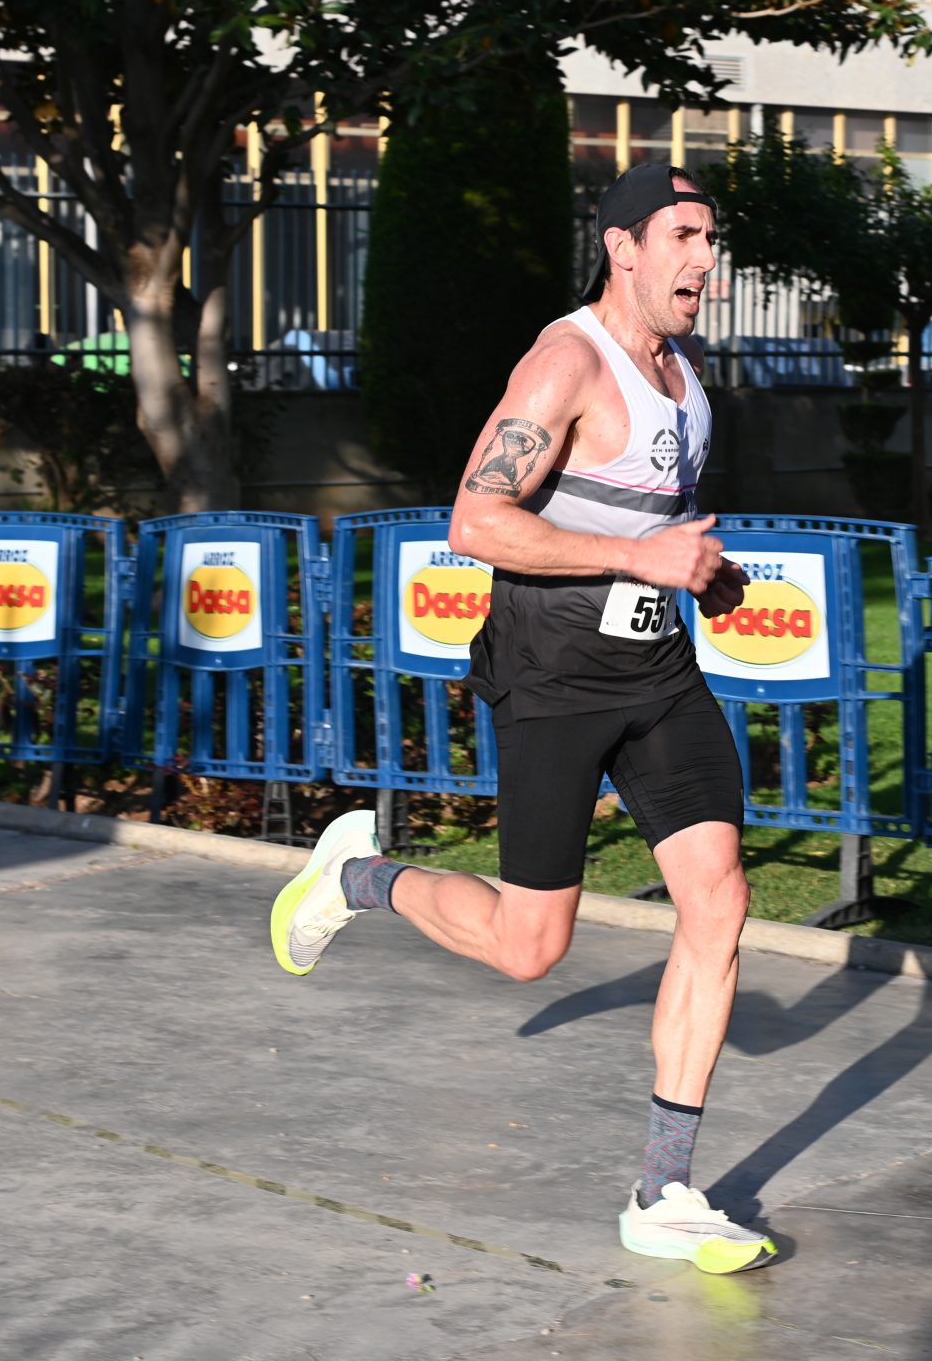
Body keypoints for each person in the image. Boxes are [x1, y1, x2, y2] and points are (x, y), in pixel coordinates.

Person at [269, 162, 774, 1274]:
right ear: (623, 248)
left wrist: (697, 570)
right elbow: (475, 521)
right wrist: (637, 557)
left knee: (718, 900)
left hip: (660, 674)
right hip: (552, 678)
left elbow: (650, 523)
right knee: (528, 946)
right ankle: (356, 878)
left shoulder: (685, 373)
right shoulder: (565, 362)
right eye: (684, 237)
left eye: (711, 238)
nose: (705, 259)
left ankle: (664, 1189)